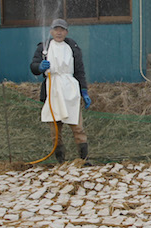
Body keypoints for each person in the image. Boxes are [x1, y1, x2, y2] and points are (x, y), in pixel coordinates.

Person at [30, 18, 91, 164]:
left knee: (78, 127)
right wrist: (39, 67)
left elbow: (79, 70)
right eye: (56, 29)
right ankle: (61, 161)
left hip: (70, 89)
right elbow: (33, 66)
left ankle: (84, 159)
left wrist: (84, 90)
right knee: (55, 131)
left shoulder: (73, 47)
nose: (59, 32)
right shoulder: (43, 48)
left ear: (66, 32)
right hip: (52, 90)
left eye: (62, 29)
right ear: (51, 31)